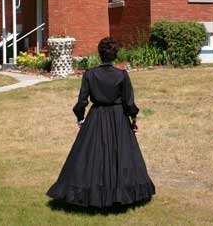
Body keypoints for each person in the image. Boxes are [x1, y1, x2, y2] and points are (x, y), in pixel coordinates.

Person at [47, 36, 155, 209]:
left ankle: (95, 193)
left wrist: (80, 118)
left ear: (100, 54)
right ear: (115, 55)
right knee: (121, 156)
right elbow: (129, 102)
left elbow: (82, 101)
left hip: (96, 117)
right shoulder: (122, 75)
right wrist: (133, 119)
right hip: (119, 118)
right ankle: (119, 194)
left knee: (92, 157)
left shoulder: (90, 74)